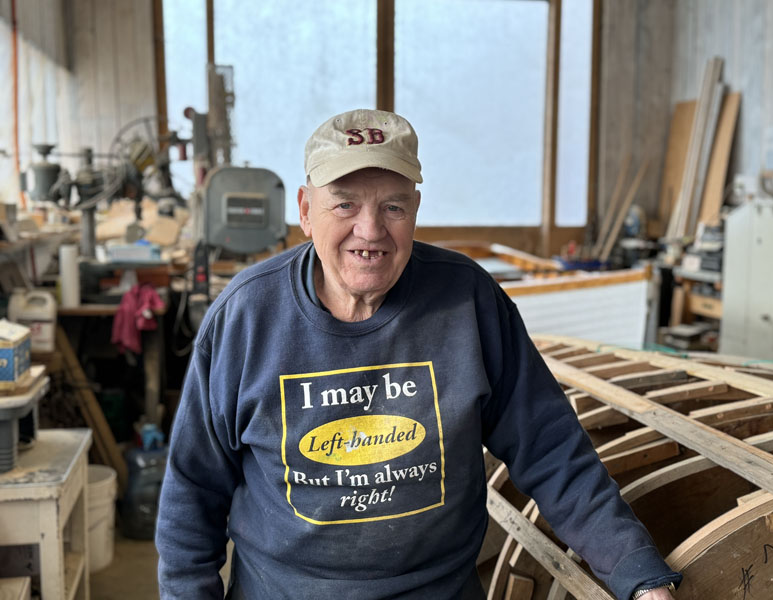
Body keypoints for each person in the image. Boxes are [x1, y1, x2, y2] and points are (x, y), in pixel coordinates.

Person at [156, 109, 681, 600]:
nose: (370, 231)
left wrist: (638, 573)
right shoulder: (246, 316)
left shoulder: (468, 300)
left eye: (393, 206)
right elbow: (192, 494)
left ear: (415, 210)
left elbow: (551, 451)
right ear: (304, 211)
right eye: (344, 204)